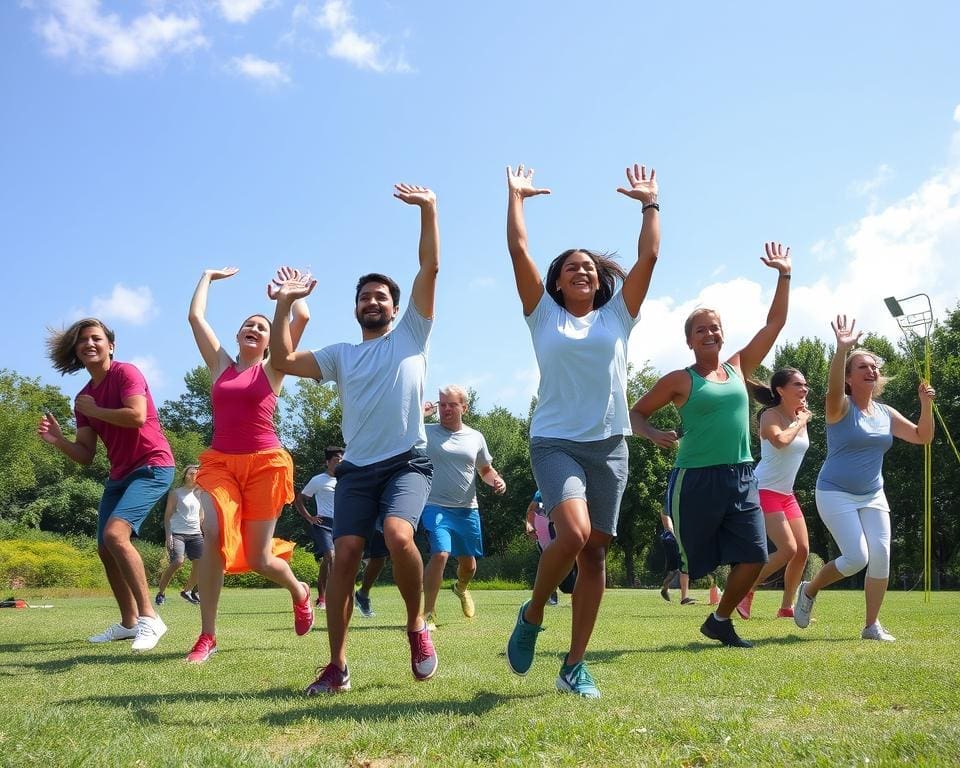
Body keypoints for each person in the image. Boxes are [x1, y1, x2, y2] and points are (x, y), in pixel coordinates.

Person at [268, 182, 440, 694]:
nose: (372, 301)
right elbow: (281, 361)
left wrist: (428, 211)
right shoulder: (342, 354)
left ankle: (416, 626)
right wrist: (285, 305)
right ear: (356, 308)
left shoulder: (412, 334)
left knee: (398, 534)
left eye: (380, 296)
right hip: (357, 470)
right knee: (343, 556)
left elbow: (429, 268)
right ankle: (337, 665)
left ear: (394, 306)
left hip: (408, 461)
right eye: (364, 296)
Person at [504, 162, 660, 699]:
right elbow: (519, 251)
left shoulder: (618, 317)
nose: (582, 272)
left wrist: (649, 203)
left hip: (610, 446)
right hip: (554, 443)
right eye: (571, 267)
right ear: (557, 280)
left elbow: (650, 257)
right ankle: (531, 614)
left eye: (589, 268)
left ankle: (574, 664)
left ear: (599, 281)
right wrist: (517, 198)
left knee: (593, 553)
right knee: (570, 534)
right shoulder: (542, 316)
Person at [631, 241, 793, 648]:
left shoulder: (739, 368)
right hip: (696, 479)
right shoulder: (679, 380)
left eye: (715, 327)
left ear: (723, 335)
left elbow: (773, 325)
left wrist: (784, 275)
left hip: (741, 475)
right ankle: (690, 593)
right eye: (700, 329)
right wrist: (652, 434)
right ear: (690, 341)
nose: (709, 332)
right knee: (696, 561)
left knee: (755, 555)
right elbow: (636, 414)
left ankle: (719, 621)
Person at [185, 267, 313, 664]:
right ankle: (207, 635)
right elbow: (196, 318)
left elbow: (301, 318)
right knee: (209, 531)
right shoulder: (220, 366)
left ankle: (298, 590)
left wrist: (288, 297)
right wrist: (206, 277)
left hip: (264, 465)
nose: (255, 329)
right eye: (248, 325)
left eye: (262, 326)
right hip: (220, 462)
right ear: (239, 336)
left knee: (259, 560)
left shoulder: (274, 367)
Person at [794, 317, 935, 641]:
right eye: (862, 367)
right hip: (835, 492)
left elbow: (922, 436)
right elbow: (830, 389)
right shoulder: (839, 407)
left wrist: (925, 405)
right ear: (848, 378)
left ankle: (871, 626)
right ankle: (810, 588)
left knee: (881, 554)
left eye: (873, 366)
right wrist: (842, 349)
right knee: (857, 558)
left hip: (873, 494)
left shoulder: (885, 413)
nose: (871, 370)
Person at [39, 318, 175, 650]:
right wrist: (59, 441)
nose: (89, 343)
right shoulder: (83, 398)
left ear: (110, 345)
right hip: (119, 474)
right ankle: (129, 623)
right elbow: (85, 454)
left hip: (153, 466)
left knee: (116, 535)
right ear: (77, 352)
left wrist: (97, 410)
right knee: (104, 547)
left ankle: (150, 618)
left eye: (96, 338)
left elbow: (137, 416)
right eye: (82, 340)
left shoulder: (126, 373)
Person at [421, 385, 507, 629]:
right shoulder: (425, 431)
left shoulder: (475, 437)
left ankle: (460, 588)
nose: (446, 409)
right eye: (442, 404)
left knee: (469, 566)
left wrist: (497, 481)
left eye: (452, 404)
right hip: (435, 505)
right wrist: (419, 413)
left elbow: (485, 470)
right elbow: (400, 427)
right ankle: (427, 614)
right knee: (440, 553)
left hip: (467, 509)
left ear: (464, 408)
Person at [735, 368, 812, 620]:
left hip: (786, 493)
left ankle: (786, 607)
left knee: (802, 550)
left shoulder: (798, 415)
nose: (804, 389)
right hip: (764, 489)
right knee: (787, 549)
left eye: (805, 385)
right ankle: (745, 591)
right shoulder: (770, 415)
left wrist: (799, 419)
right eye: (798, 385)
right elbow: (780, 441)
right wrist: (800, 422)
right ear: (781, 390)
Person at [294, 447, 344, 609]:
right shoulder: (318, 480)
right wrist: (310, 518)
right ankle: (328, 598)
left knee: (328, 560)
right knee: (330, 556)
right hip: (323, 524)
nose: (339, 464)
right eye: (336, 461)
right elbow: (299, 499)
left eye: (342, 461)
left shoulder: (346, 479)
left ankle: (321, 596)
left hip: (342, 524)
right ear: (327, 462)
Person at [156, 464, 203, 606]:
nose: (193, 476)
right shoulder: (176, 493)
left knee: (201, 564)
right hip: (177, 534)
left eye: (196, 473)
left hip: (195, 534)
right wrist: (168, 535)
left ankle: (187, 591)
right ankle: (161, 592)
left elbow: (201, 515)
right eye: (190, 473)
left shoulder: (200, 493)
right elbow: (167, 516)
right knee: (178, 561)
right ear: (185, 475)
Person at [524, 490, 576, 605]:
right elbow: (531, 510)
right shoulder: (540, 492)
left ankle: (577, 596)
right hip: (545, 535)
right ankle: (550, 596)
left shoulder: (571, 490)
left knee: (572, 562)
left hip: (565, 531)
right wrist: (529, 525)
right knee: (550, 564)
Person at [659, 512, 693, 605]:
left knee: (680, 568)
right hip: (671, 539)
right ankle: (666, 588)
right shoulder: (667, 504)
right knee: (677, 569)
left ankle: (684, 598)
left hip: (677, 538)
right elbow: (667, 523)